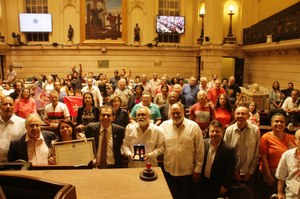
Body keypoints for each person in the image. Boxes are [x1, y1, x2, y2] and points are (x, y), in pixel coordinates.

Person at [160, 102, 204, 199]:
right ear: (170, 114)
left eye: (178, 113)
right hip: (169, 171)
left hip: (187, 173)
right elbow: (159, 145)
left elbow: (200, 150)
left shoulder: (194, 126)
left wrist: (198, 170)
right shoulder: (164, 126)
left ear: (183, 112)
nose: (176, 115)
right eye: (173, 113)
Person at [223, 106, 260, 199]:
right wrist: (234, 172)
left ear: (248, 116)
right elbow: (225, 153)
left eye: (243, 114)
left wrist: (250, 172)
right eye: (238, 113)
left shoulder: (255, 130)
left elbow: (256, 153)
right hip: (233, 173)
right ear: (234, 115)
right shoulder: (229, 130)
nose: (240, 116)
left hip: (249, 174)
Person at [258, 112, 296, 199]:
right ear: (271, 123)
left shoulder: (292, 138)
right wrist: (268, 177)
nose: (279, 124)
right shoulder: (266, 137)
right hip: (271, 174)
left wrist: (293, 148)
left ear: (285, 124)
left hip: (287, 176)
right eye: (276, 121)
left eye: (282, 122)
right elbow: (263, 159)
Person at [199, 120, 236, 199]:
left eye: (217, 131)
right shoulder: (203, 143)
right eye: (212, 131)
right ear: (208, 132)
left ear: (222, 133)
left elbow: (230, 170)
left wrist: (225, 186)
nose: (214, 134)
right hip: (203, 182)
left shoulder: (229, 149)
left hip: (217, 185)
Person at [275, 129, 300, 199]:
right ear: (295, 140)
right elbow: (281, 176)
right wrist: (280, 192)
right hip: (291, 194)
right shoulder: (287, 155)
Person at [0, 96, 25, 162]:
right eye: (5, 104)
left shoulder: (22, 123)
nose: (8, 107)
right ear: (0, 106)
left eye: (10, 104)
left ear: (14, 107)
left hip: (14, 162)